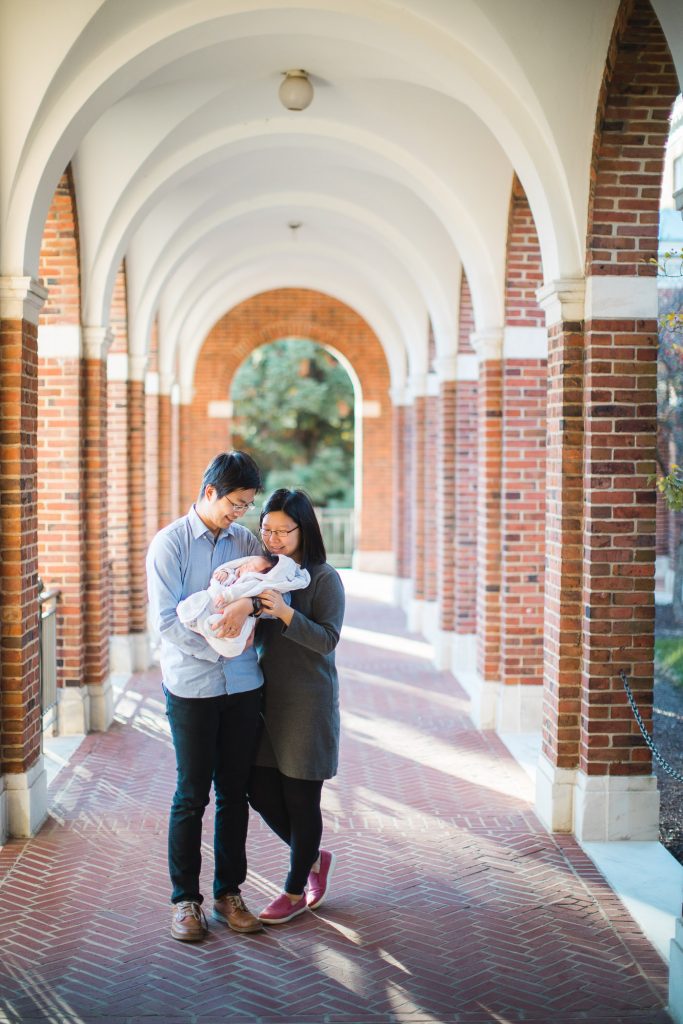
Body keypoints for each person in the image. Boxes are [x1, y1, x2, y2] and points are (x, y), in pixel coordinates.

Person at [146, 450, 268, 942]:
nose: (241, 514)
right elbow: (169, 622)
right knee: (191, 794)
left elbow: (266, 593)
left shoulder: (245, 541)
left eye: (247, 506)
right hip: (192, 685)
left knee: (234, 794)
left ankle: (229, 893)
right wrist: (219, 647)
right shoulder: (170, 544)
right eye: (236, 503)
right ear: (211, 491)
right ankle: (184, 902)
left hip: (243, 686)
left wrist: (246, 611)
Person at [246, 488, 346, 924]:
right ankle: (312, 855)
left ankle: (292, 890)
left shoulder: (324, 578)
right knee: (258, 788)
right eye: (266, 529)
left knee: (301, 799)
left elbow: (327, 640)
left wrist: (286, 614)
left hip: (307, 703)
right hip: (264, 698)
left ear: (303, 530)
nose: (273, 538)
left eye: (283, 531)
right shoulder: (262, 571)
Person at [176, 552, 310, 658]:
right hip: (193, 678)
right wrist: (225, 573)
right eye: (246, 564)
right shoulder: (237, 574)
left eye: (249, 568)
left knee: (234, 641)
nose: (243, 567)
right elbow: (164, 619)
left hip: (245, 673)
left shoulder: (254, 581)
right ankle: (202, 623)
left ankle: (209, 627)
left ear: (262, 575)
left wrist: (248, 604)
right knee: (200, 602)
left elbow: (279, 601)